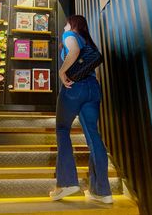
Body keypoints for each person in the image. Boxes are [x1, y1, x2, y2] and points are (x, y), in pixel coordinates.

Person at [49, 15, 112, 203]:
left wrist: (61, 71)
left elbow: (74, 51)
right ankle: (102, 192)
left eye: (66, 23)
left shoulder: (70, 34)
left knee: (62, 129)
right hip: (93, 87)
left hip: (74, 87)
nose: (64, 26)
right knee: (93, 135)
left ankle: (68, 183)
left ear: (72, 24)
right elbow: (92, 68)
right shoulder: (88, 40)